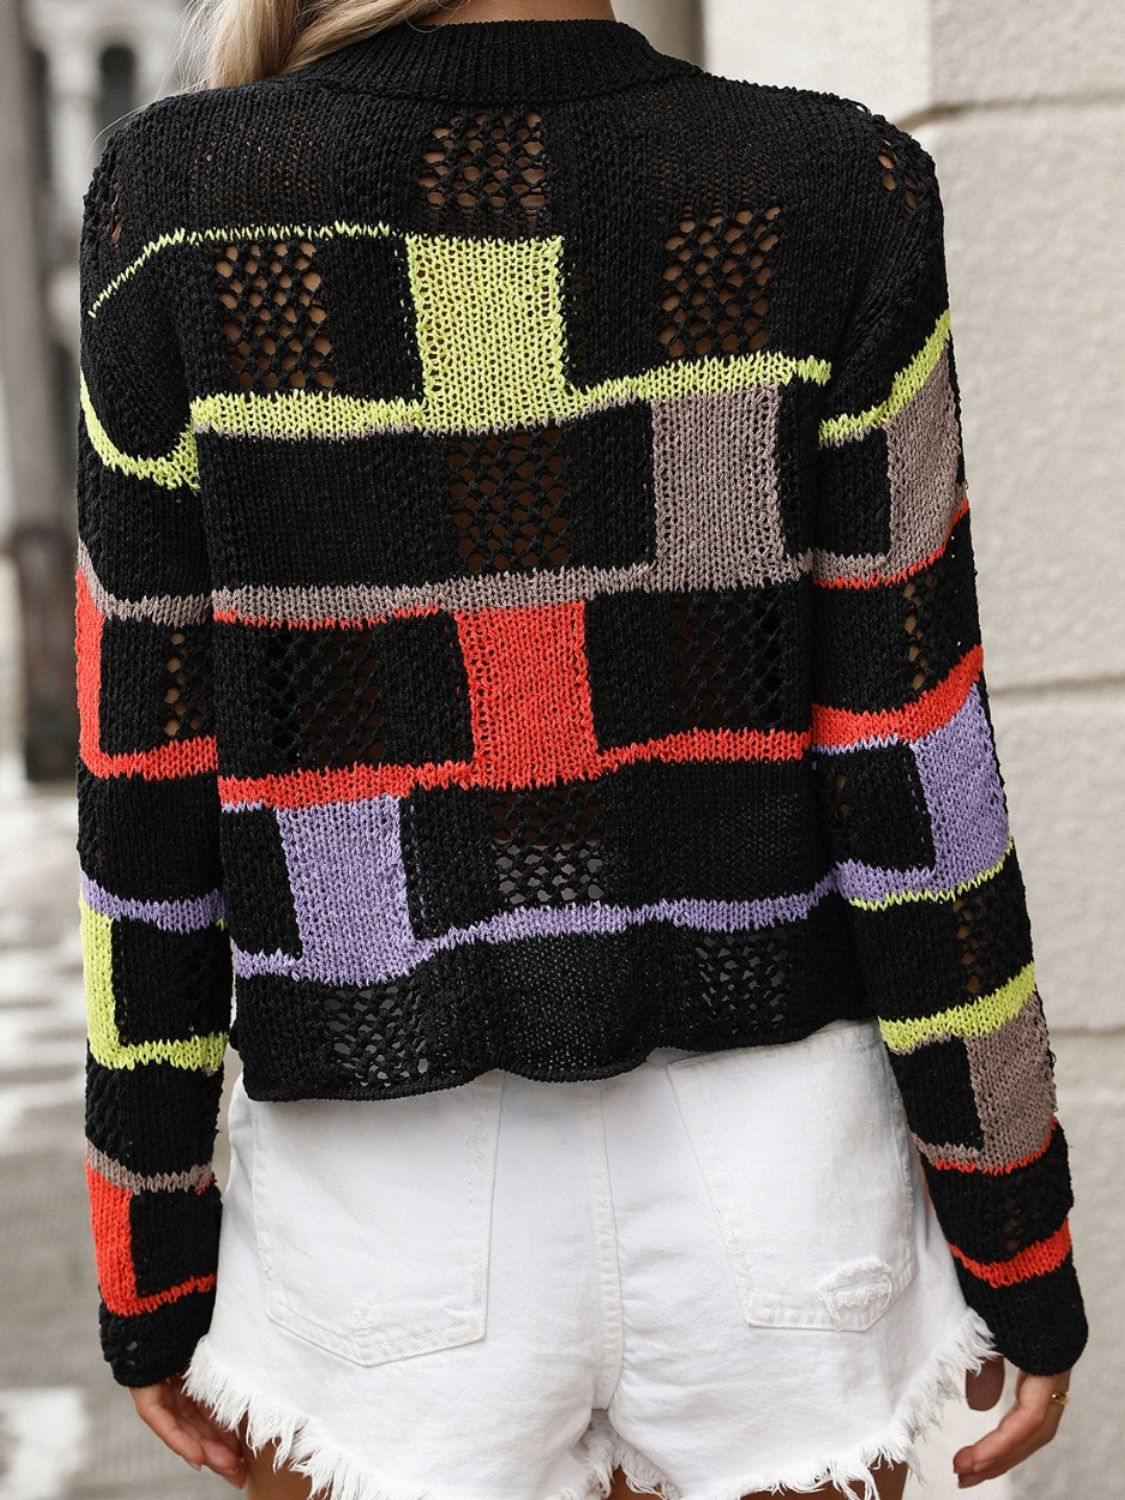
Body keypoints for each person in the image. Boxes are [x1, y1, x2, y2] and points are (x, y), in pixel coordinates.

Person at [73, 0, 1089, 1496]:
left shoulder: (181, 201)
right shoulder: (831, 187)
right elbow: (915, 771)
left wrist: (147, 1258)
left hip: (389, 1207)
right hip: (776, 1173)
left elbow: (147, 798)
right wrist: (1015, 1228)